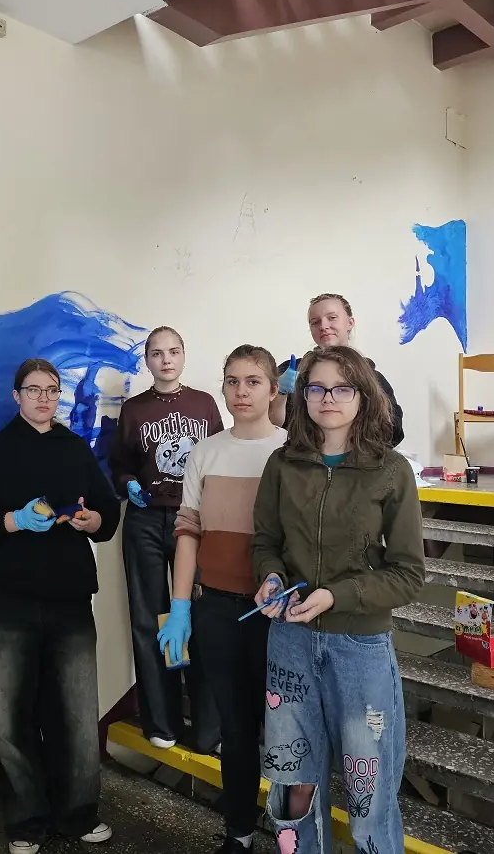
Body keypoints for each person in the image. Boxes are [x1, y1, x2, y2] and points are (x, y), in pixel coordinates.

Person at [252, 345, 425, 854]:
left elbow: (409, 575)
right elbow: (265, 543)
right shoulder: (281, 464)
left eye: (342, 388)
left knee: (369, 800)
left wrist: (338, 595)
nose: (328, 398)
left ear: (362, 397)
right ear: (302, 396)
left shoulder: (391, 470)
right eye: (317, 388)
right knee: (293, 788)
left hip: (359, 649)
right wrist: (270, 578)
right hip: (290, 643)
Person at [0, 358, 121, 854]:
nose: (44, 398)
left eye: (52, 390)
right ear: (16, 395)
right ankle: (26, 821)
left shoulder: (75, 449)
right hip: (6, 600)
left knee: (77, 714)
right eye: (34, 390)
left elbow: (107, 513)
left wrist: (92, 521)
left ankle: (78, 814)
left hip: (69, 600)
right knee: (12, 717)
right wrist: (14, 521)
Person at [157, 345, 287, 853]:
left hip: (278, 614)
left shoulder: (290, 451)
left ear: (273, 390)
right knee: (235, 732)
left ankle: (294, 835)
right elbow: (188, 532)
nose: (241, 391)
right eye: (232, 381)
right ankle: (238, 834)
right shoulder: (205, 452)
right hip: (216, 610)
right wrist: (181, 606)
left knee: (286, 732)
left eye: (253, 381)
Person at [109, 327, 223, 752]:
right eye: (157, 353)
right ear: (147, 361)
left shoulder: (205, 404)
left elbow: (219, 457)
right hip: (145, 520)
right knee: (149, 617)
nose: (166, 360)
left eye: (173, 351)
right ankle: (162, 720)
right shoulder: (134, 409)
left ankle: (209, 729)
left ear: (184, 355)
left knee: (199, 616)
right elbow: (119, 463)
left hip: (192, 518)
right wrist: (127, 483)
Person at [270, 293, 404, 447]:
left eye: (332, 318)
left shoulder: (374, 378)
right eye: (315, 322)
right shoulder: (290, 372)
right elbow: (269, 426)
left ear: (350, 322)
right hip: (302, 459)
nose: (323, 326)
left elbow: (394, 432)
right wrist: (277, 393)